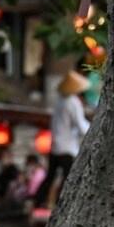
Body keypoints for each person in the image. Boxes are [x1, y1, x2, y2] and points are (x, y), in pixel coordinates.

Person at [36, 70, 89, 207]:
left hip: (56, 146)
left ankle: (38, 200)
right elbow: (80, 124)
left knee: (50, 177)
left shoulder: (59, 102)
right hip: (67, 148)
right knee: (69, 178)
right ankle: (64, 204)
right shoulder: (73, 102)